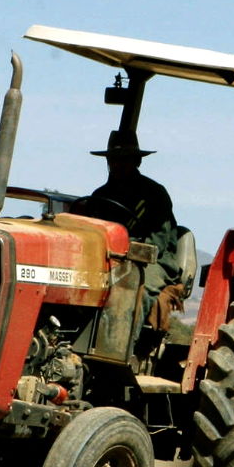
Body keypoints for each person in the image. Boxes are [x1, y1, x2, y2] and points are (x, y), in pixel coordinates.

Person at [87, 130, 184, 332]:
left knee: (134, 289)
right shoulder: (99, 196)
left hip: (151, 261)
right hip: (108, 258)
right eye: (113, 159)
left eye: (125, 159)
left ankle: (121, 348)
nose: (117, 164)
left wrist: (125, 252)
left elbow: (157, 243)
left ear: (137, 162)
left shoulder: (155, 194)